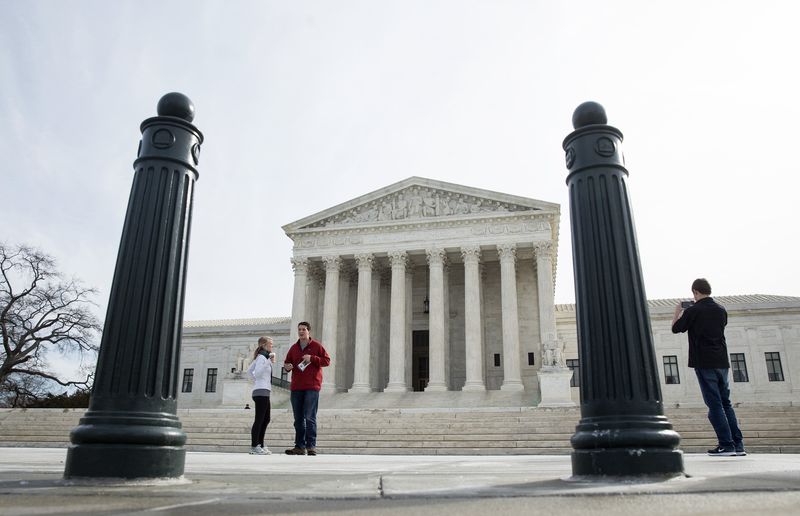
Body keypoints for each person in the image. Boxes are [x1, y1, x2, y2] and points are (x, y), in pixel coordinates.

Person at [672, 278, 745, 457]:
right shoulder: (721, 310)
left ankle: (726, 445)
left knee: (715, 405)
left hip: (704, 362)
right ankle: (738, 445)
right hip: (722, 362)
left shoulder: (693, 310)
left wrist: (677, 311)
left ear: (695, 292)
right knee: (726, 403)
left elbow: (676, 328)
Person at [282, 321, 330, 456]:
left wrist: (312, 358)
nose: (301, 331)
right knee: (298, 418)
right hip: (296, 386)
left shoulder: (316, 346)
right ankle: (299, 446)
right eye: (299, 329)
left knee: (310, 417)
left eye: (303, 329)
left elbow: (327, 361)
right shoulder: (294, 348)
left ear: (309, 331)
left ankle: (311, 446)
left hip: (312, 387)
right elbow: (287, 362)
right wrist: (287, 366)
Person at [246, 336, 275, 455]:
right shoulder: (262, 357)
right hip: (261, 392)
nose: (272, 346)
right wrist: (268, 361)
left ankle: (260, 445)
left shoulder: (260, 357)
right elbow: (257, 373)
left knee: (266, 419)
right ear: (263, 345)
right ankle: (254, 446)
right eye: (270, 344)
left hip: (263, 390)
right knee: (259, 419)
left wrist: (257, 382)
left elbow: (249, 371)